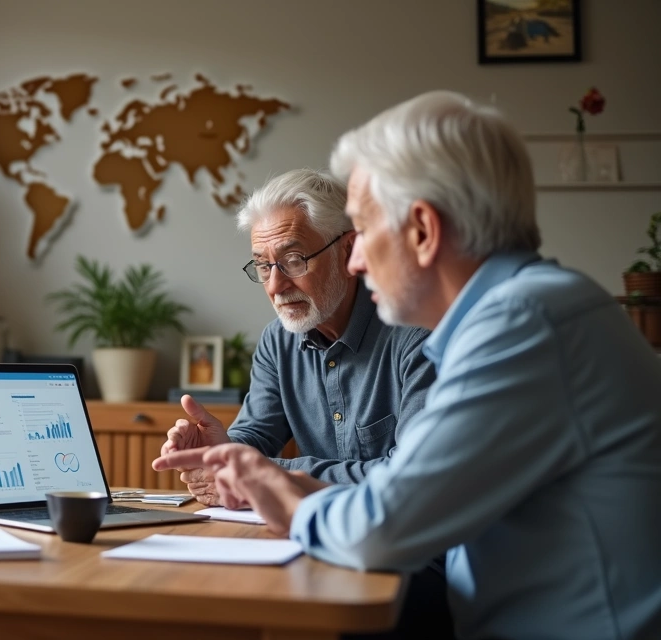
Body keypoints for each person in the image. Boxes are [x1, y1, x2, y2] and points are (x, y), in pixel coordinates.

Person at [155, 91, 661, 640]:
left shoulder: (521, 322)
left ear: (422, 230)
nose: (355, 259)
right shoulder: (525, 310)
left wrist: (284, 491)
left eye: (366, 231)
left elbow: (385, 524)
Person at [161, 169, 436, 504]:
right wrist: (219, 453)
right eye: (263, 266)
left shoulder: (418, 333)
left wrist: (264, 475)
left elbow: (409, 478)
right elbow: (257, 433)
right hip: (315, 536)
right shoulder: (278, 342)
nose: (275, 286)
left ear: (348, 251)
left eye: (294, 260)